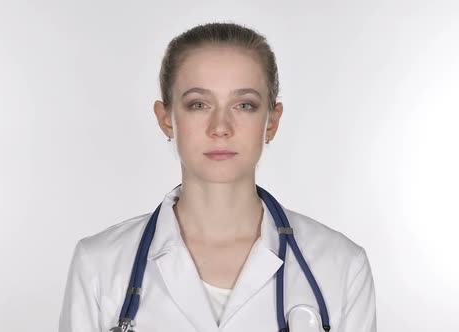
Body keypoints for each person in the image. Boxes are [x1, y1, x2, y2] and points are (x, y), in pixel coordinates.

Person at [59, 22, 377, 332]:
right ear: (166, 119)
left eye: (244, 105)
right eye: (198, 104)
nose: (220, 127)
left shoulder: (341, 266)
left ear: (271, 122)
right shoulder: (99, 264)